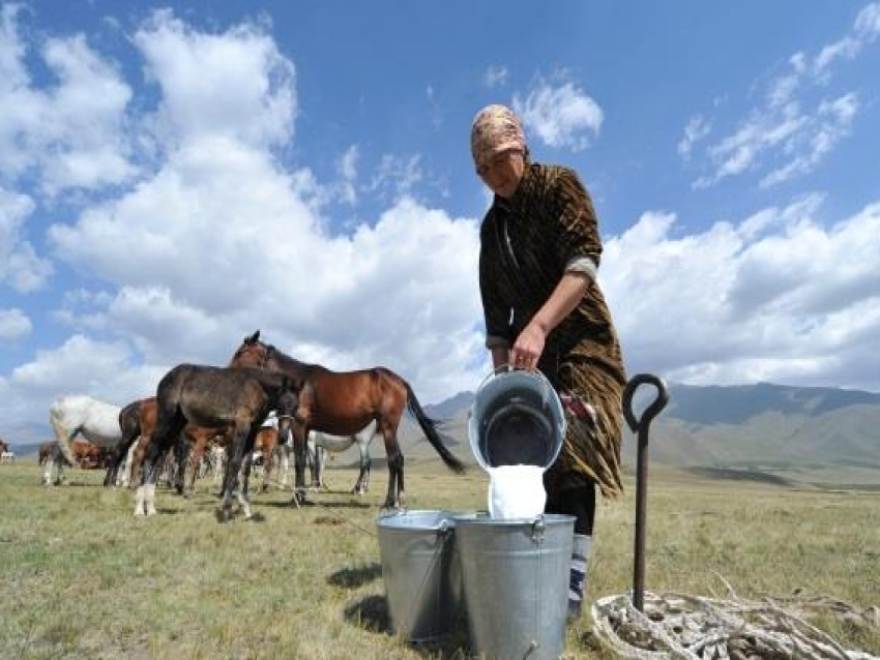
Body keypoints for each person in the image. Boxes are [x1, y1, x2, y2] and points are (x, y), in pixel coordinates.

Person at [471, 104, 627, 619]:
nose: (494, 175)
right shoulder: (491, 231)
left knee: (573, 440)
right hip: (528, 360)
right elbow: (496, 316)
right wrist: (502, 382)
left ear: (520, 146)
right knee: (527, 448)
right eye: (483, 169)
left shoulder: (560, 185)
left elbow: (584, 259)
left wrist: (539, 325)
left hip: (582, 342)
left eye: (499, 160)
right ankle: (538, 569)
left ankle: (570, 591)